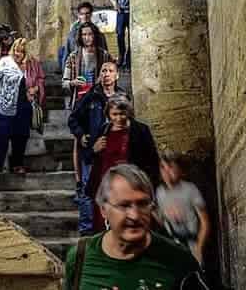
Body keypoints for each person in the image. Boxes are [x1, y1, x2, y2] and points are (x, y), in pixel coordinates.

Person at [64, 164, 200, 290]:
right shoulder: (79, 257)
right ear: (103, 210)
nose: (135, 216)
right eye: (124, 205)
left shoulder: (179, 260)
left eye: (142, 204)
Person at [85, 94, 160, 232]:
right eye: (114, 114)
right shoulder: (104, 130)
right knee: (105, 225)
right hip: (106, 186)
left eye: (122, 114)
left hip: (131, 187)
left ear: (128, 113)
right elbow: (89, 158)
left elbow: (153, 161)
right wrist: (94, 149)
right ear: (108, 114)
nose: (118, 118)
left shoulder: (140, 130)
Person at [68, 62, 127, 236]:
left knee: (116, 191)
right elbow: (73, 119)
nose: (106, 74)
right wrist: (82, 135)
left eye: (110, 71)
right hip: (93, 154)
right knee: (89, 191)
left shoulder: (123, 97)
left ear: (116, 75)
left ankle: (114, 230)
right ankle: (87, 233)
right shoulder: (91, 96)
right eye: (103, 71)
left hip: (117, 155)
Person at [0, 38, 37, 178]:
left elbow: (38, 80)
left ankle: (17, 164)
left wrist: (34, 89)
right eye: (15, 50)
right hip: (4, 104)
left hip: (24, 106)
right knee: (1, 135)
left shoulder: (31, 65)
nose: (17, 54)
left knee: (21, 136)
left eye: (21, 51)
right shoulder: (5, 62)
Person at [157, 150, 212, 265]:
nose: (166, 172)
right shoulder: (159, 193)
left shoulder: (190, 189)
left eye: (170, 167)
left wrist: (199, 248)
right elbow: (162, 222)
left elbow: (205, 222)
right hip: (173, 247)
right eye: (163, 167)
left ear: (180, 170)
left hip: (191, 245)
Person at [62, 22, 114, 109]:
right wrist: (73, 82)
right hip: (80, 101)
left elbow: (114, 79)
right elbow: (64, 83)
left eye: (90, 34)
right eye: (84, 34)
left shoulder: (105, 56)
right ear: (80, 37)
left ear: (95, 35)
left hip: (99, 102)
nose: (87, 38)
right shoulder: (73, 57)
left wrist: (103, 79)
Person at [63, 2, 108, 70]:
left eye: (87, 13)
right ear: (78, 15)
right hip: (77, 71)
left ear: (91, 14)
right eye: (82, 14)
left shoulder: (98, 34)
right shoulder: (72, 35)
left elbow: (105, 56)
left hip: (95, 71)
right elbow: (66, 56)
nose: (85, 16)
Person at [109, 0, 130, 70]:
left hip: (132, 13)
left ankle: (129, 60)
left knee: (132, 37)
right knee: (120, 35)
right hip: (121, 12)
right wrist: (115, 3)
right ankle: (121, 57)